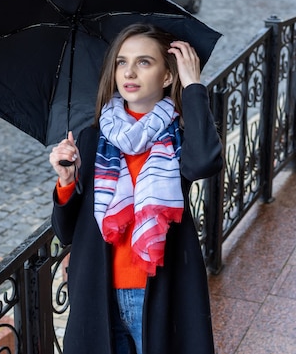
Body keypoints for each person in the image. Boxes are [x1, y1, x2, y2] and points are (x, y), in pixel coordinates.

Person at [49, 23, 223, 354]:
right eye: (121, 61)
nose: (129, 71)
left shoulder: (179, 137)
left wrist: (194, 86)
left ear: (167, 76)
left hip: (160, 293)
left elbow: (204, 164)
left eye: (144, 62)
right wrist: (67, 182)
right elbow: (67, 230)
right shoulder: (92, 138)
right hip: (98, 294)